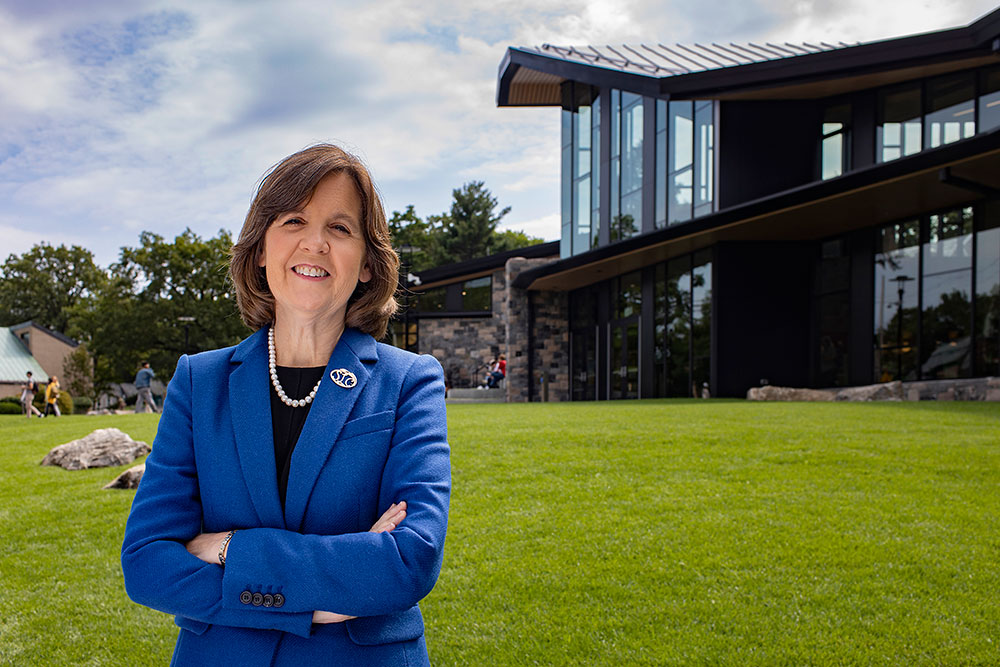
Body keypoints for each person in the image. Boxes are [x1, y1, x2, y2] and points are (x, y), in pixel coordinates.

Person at [121, 144, 450, 666]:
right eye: (294, 220)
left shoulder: (410, 381)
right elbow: (145, 562)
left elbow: (409, 560)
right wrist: (314, 603)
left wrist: (229, 549)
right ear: (260, 250)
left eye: (340, 229)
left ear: (366, 262)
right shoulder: (199, 381)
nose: (315, 243)